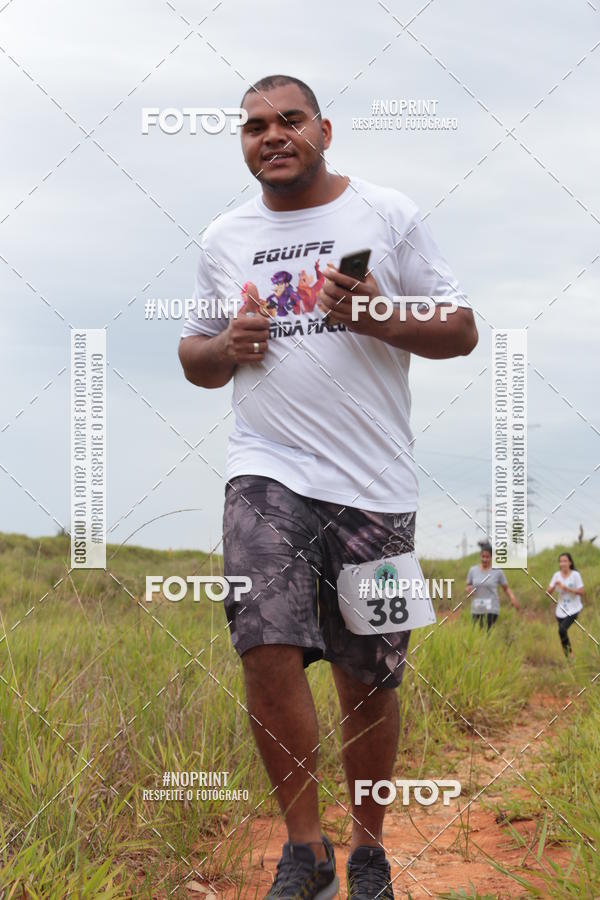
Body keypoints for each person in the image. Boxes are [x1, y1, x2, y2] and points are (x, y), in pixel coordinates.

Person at [178, 74, 478, 899]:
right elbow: (196, 357)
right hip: (266, 469)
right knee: (263, 642)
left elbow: (460, 329)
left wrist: (379, 316)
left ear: (325, 131)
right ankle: (303, 851)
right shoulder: (223, 236)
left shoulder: (386, 214)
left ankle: (368, 849)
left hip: (375, 486)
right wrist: (228, 345)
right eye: (253, 126)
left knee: (371, 674)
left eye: (289, 120)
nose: (271, 135)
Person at [466, 543, 520, 629]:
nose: (485, 559)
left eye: (487, 557)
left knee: (487, 633)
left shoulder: (497, 571)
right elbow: (468, 586)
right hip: (476, 609)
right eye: (483, 556)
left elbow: (506, 588)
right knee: (476, 634)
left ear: (491, 557)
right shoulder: (473, 570)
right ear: (480, 556)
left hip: (491, 609)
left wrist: (512, 598)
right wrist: (469, 590)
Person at [546, 552, 584, 659]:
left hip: (574, 609)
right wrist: (553, 587)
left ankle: (570, 656)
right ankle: (569, 658)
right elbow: (548, 593)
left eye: (565, 561)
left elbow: (581, 592)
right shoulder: (556, 575)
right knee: (562, 634)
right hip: (560, 610)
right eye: (561, 561)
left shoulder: (575, 575)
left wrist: (566, 588)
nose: (562, 563)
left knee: (562, 630)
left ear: (570, 563)